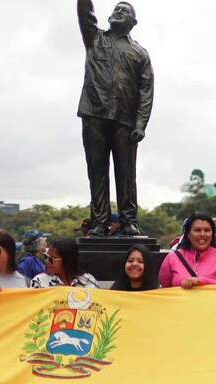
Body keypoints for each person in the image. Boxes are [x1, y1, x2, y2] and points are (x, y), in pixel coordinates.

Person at [77, 0, 154, 237]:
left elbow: (146, 91)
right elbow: (85, 13)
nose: (118, 12)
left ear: (134, 22)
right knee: (97, 172)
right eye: (115, 9)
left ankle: (129, 221)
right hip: (95, 114)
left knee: (126, 173)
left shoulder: (140, 53)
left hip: (125, 120)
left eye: (125, 11)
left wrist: (141, 123)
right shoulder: (95, 38)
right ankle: (99, 222)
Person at [158, 212, 216, 289]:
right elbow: (164, 290)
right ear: (188, 234)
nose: (202, 234)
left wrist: (201, 281)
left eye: (207, 230)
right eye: (197, 230)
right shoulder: (172, 258)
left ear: (212, 234)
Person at [31, 238, 99, 288]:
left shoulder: (89, 281)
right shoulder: (39, 282)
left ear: (67, 260)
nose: (46, 261)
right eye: (46, 256)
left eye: (51, 259)